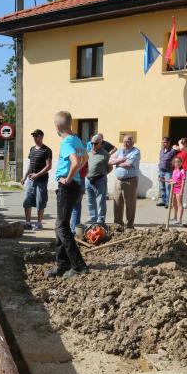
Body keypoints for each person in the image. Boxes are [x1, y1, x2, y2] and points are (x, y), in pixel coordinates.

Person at [45, 111, 88, 278]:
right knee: (60, 225)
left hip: (68, 187)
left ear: (56, 127)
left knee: (62, 227)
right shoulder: (76, 139)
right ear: (70, 124)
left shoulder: (66, 142)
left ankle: (78, 266)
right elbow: (84, 157)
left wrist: (68, 178)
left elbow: (76, 161)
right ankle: (62, 265)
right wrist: (75, 175)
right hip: (75, 186)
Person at [20, 129, 52, 230]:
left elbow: (49, 166)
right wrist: (24, 176)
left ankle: (39, 223)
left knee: (40, 202)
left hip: (41, 181)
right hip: (30, 180)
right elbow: (31, 164)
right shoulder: (32, 149)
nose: (34, 138)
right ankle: (28, 223)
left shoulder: (47, 150)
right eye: (33, 136)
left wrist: (37, 175)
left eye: (36, 136)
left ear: (41, 137)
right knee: (26, 201)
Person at [109, 135, 140, 228]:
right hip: (118, 181)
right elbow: (109, 160)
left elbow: (129, 164)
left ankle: (129, 226)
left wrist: (117, 163)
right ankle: (118, 225)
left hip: (129, 181)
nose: (125, 143)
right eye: (124, 141)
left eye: (128, 142)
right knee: (117, 203)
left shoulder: (136, 151)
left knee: (130, 205)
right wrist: (120, 160)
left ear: (132, 143)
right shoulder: (120, 151)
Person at [85, 134, 111, 224]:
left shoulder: (105, 154)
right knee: (90, 200)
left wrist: (103, 174)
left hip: (100, 179)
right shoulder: (88, 153)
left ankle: (101, 219)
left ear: (100, 143)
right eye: (92, 143)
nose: (93, 145)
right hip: (88, 180)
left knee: (101, 201)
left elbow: (110, 168)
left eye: (96, 143)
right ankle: (93, 217)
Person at [174, 137, 187, 212]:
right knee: (177, 186)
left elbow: (181, 148)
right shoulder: (179, 151)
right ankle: (178, 201)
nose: (182, 143)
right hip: (179, 170)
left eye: (184, 142)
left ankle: (184, 202)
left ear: (186, 143)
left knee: (185, 187)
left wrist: (179, 144)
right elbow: (174, 147)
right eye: (182, 142)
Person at [156, 136, 176, 207]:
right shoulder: (161, 151)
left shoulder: (172, 151)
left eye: (165, 142)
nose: (164, 143)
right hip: (161, 171)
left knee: (168, 187)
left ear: (169, 143)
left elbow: (175, 160)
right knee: (162, 187)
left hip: (168, 172)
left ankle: (168, 202)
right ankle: (163, 201)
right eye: (163, 142)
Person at [166, 155, 185, 225]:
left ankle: (179, 220)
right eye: (176, 162)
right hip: (173, 189)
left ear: (181, 163)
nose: (177, 163)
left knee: (179, 204)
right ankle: (175, 217)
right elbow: (173, 179)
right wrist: (168, 180)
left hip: (179, 189)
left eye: (179, 162)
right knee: (174, 204)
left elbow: (183, 181)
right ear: (174, 163)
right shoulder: (174, 171)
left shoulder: (182, 171)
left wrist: (181, 190)